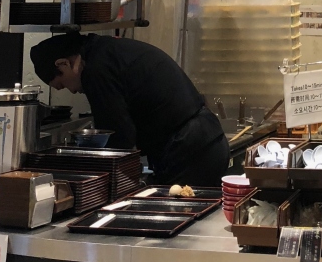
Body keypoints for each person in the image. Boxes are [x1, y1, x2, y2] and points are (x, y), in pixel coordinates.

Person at [30, 33, 230, 188]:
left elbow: (118, 137)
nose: (72, 90)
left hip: (189, 150)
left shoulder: (96, 69)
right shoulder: (106, 50)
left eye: (62, 84)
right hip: (204, 140)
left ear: (63, 63)